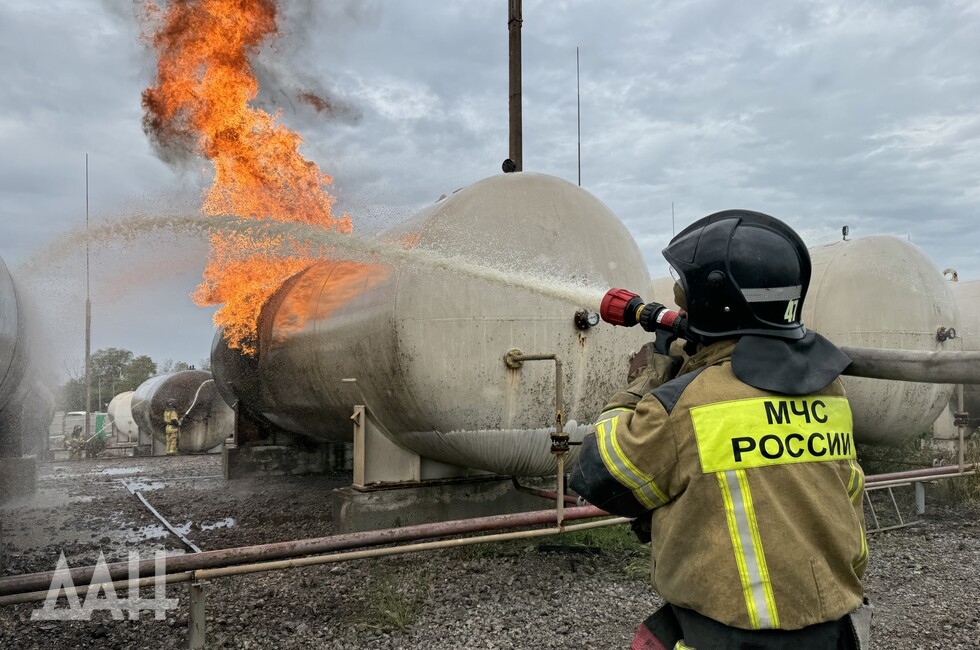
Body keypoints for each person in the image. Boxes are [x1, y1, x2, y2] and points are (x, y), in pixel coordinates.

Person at [571, 210, 871, 649]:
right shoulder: (827, 389)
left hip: (729, 637)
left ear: (716, 301)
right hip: (833, 628)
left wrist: (647, 379)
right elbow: (847, 496)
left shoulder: (686, 403)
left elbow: (599, 470)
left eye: (686, 298)